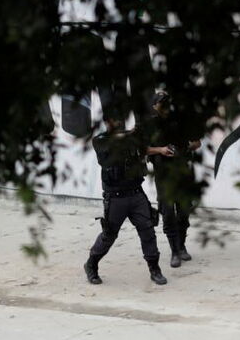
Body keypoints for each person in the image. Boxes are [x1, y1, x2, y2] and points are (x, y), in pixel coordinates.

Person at [84, 112, 168, 286]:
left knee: (148, 231)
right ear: (107, 122)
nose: (118, 121)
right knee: (109, 235)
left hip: (136, 194)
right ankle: (91, 264)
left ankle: (155, 269)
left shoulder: (131, 138)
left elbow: (143, 149)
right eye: (115, 119)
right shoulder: (100, 140)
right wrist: (132, 134)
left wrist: (158, 147)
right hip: (116, 198)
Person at [147, 90, 202, 268]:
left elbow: (197, 142)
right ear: (155, 106)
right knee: (168, 213)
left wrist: (184, 148)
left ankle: (182, 245)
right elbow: (141, 148)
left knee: (184, 211)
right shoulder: (150, 124)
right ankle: (175, 251)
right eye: (161, 103)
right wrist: (161, 150)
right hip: (163, 175)